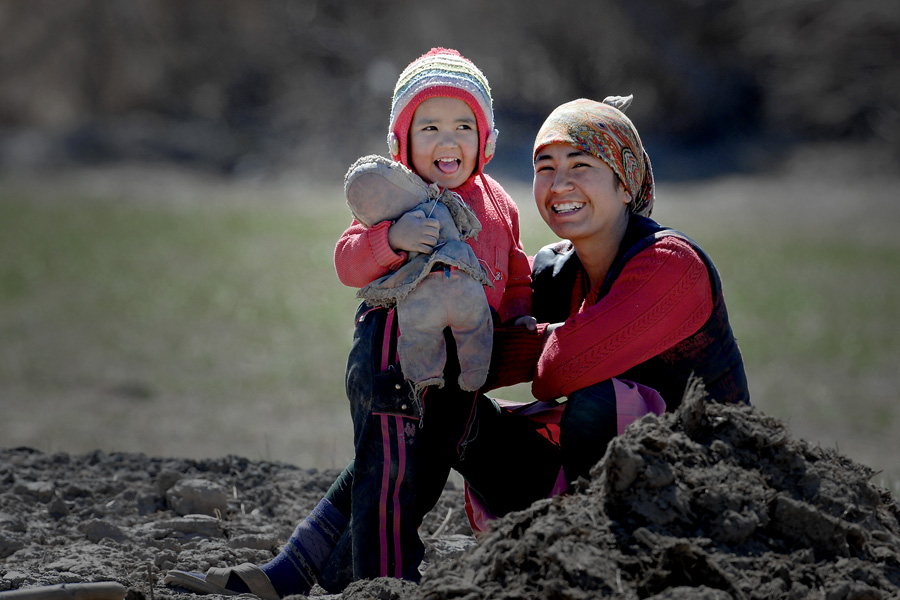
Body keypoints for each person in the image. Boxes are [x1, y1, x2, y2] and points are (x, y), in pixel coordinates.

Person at [165, 47, 535, 597]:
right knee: (386, 476)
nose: (448, 140)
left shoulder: (498, 202)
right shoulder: (396, 195)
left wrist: (515, 319)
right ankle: (386, 586)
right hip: (389, 359)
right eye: (428, 127)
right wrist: (392, 239)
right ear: (401, 143)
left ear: (487, 140)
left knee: (399, 479)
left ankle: (298, 574)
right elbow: (348, 259)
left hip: (456, 370)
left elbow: (517, 269)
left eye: (463, 126)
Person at [461, 95, 750, 532]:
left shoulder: (671, 264)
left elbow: (561, 370)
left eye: (580, 165)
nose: (559, 184)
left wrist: (537, 340)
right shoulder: (555, 271)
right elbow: (470, 361)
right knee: (450, 413)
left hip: (705, 486)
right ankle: (334, 542)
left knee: (596, 402)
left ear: (626, 183)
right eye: (545, 168)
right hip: (597, 471)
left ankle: (601, 545)